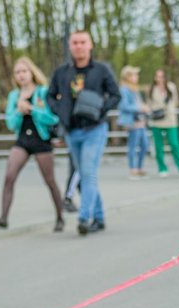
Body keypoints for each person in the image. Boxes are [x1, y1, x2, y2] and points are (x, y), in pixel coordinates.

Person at [48, 30, 121, 236]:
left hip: (94, 129)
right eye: (75, 42)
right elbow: (50, 96)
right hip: (72, 131)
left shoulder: (101, 70)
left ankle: (83, 217)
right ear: (70, 46)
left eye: (83, 42)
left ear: (90, 45)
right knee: (85, 175)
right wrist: (60, 110)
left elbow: (115, 95)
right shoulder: (62, 72)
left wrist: (101, 110)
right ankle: (98, 217)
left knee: (88, 173)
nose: (79, 46)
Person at [0, 56, 65, 232]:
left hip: (41, 140)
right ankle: (3, 217)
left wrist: (31, 109)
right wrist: (18, 111)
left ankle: (60, 216)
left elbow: (52, 118)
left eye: (24, 71)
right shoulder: (14, 96)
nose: (21, 75)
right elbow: (10, 123)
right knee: (9, 176)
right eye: (17, 72)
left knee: (49, 180)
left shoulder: (43, 92)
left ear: (31, 72)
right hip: (23, 141)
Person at [148, 69, 179, 178]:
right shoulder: (152, 89)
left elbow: (174, 102)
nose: (160, 79)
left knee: (175, 144)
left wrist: (167, 109)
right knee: (159, 146)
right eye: (157, 76)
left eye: (162, 76)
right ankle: (162, 168)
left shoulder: (171, 87)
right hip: (157, 121)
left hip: (170, 119)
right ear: (154, 78)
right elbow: (150, 104)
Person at [117, 65, 150, 179]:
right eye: (134, 75)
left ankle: (139, 168)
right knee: (133, 145)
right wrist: (140, 107)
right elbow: (124, 106)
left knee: (145, 145)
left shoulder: (135, 89)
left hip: (140, 121)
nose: (137, 77)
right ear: (128, 76)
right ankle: (133, 169)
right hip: (132, 122)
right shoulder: (124, 90)